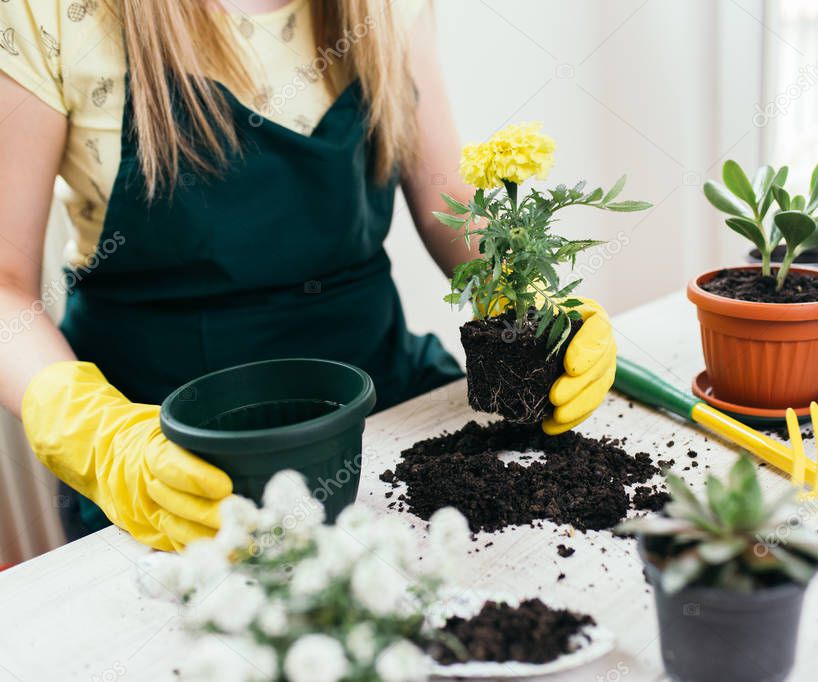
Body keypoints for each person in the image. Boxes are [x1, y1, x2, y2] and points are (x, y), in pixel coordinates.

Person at [0, 0, 615, 552]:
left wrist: (528, 300)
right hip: (176, 466)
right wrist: (99, 439)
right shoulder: (49, 14)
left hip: (387, 414)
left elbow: (445, 194)